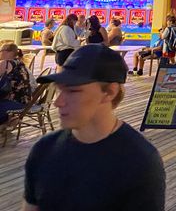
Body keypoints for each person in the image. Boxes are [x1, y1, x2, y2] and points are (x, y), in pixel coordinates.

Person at [23, 44, 166, 210]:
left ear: (109, 92)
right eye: (60, 90)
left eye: (74, 91)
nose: (58, 102)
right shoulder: (43, 150)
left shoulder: (140, 162)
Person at [0, 42, 32, 124]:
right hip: (25, 101)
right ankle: (8, 122)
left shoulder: (6, 63)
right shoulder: (19, 62)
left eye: (1, 50)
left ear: (9, 52)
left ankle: (7, 122)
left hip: (15, 102)